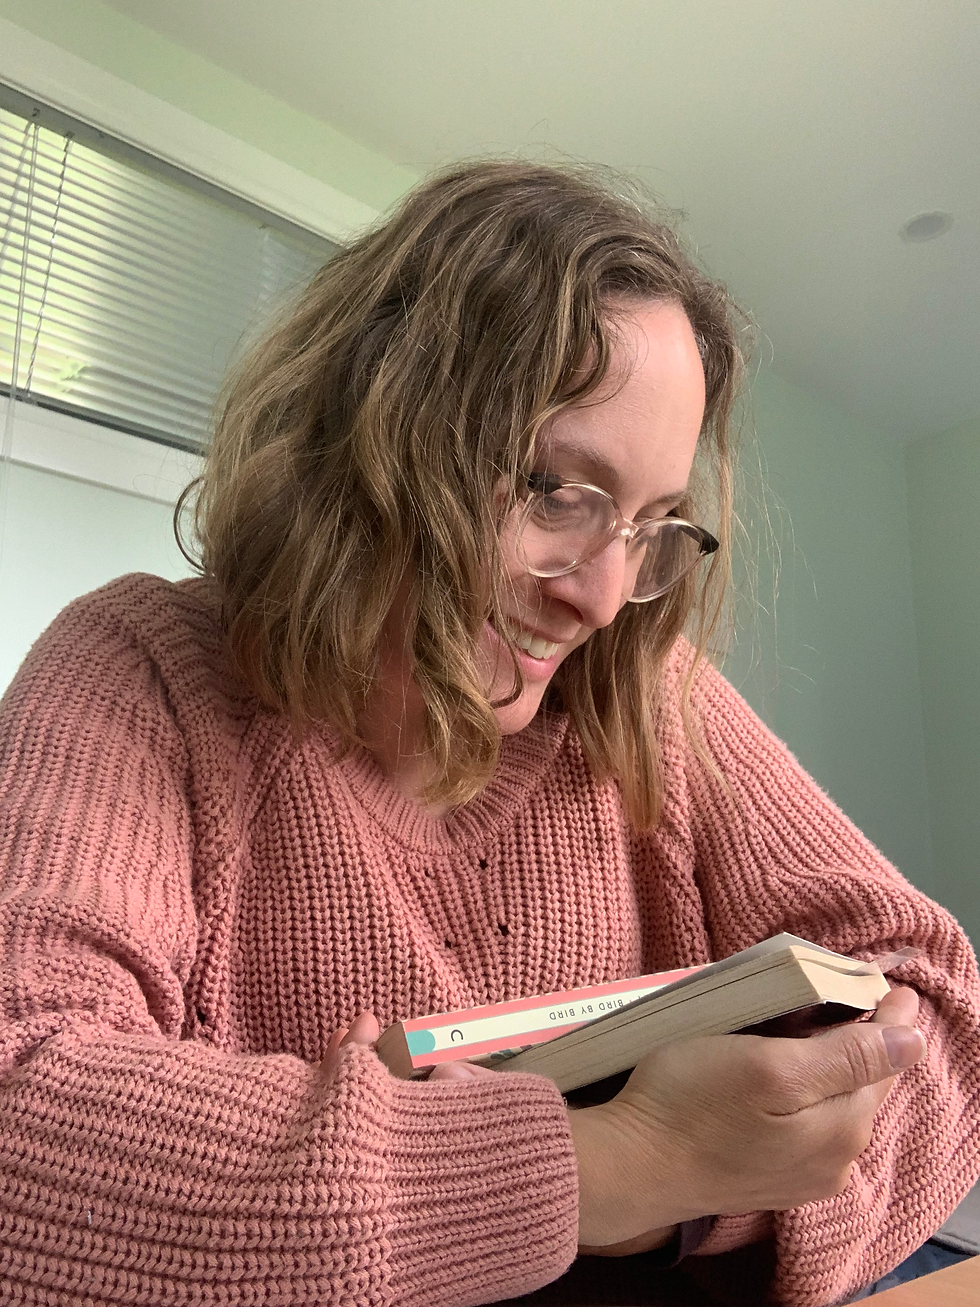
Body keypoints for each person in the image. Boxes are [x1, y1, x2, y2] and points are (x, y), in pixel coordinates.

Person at [0, 161, 977, 1307]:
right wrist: (612, 1165)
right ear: (375, 423)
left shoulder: (645, 688)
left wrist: (704, 1187)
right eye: (559, 491)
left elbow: (940, 1004)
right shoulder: (140, 667)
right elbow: (25, 1111)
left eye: (653, 524)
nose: (604, 597)